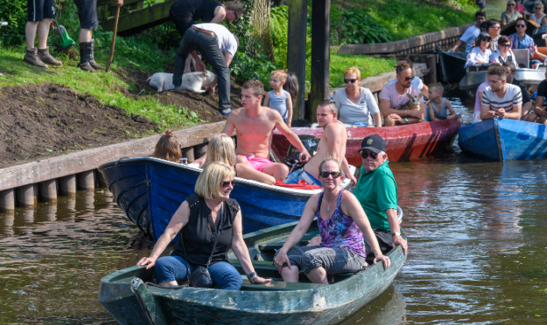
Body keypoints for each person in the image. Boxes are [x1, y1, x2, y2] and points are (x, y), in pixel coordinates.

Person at [137, 163, 271, 289]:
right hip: (186, 262)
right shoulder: (191, 204)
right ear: (211, 183)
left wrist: (253, 276)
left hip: (216, 263)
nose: (231, 187)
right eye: (225, 183)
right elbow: (169, 233)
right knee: (163, 264)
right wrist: (153, 257)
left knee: (234, 279)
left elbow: (238, 242)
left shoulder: (233, 207)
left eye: (232, 182)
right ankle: (176, 299)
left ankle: (218, 309)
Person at [273, 158, 390, 284]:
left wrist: (378, 253)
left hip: (351, 253)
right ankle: (295, 293)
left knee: (311, 258)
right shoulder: (315, 200)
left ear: (340, 177)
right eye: (325, 174)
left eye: (334, 174)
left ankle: (325, 295)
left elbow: (366, 228)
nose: (330, 177)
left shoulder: (347, 199)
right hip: (326, 249)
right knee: (281, 255)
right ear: (319, 177)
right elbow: (300, 228)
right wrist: (284, 251)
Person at [223, 79, 311, 182]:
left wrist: (303, 149)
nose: (243, 99)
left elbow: (289, 134)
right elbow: (222, 139)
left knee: (283, 169)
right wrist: (205, 158)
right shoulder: (235, 115)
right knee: (240, 160)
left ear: (258, 98)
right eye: (242, 95)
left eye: (247, 97)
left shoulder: (272, 115)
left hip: (263, 162)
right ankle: (269, 181)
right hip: (243, 161)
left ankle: (268, 188)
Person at [352, 135, 407, 260]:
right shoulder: (365, 169)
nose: (368, 159)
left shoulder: (382, 176)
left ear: (384, 157)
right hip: (361, 229)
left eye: (373, 155)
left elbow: (391, 209)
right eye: (364, 154)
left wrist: (396, 235)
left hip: (380, 233)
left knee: (348, 247)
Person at [285, 100, 356, 186]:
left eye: (323, 115)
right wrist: (348, 174)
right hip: (308, 178)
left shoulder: (331, 127)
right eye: (318, 114)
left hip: (306, 180)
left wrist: (333, 183)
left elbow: (335, 157)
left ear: (334, 115)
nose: (319, 118)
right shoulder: (340, 126)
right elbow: (340, 154)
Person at [172, 22, 237, 116]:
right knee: (224, 71)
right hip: (208, 36)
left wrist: (197, 60)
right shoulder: (233, 42)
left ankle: (177, 86)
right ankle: (225, 107)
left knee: (181, 54)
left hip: (191, 30)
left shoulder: (222, 30)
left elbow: (191, 45)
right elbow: (224, 68)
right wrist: (212, 85)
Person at [169, 0, 244, 37]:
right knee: (194, 43)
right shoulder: (222, 14)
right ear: (232, 12)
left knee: (189, 44)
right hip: (184, 10)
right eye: (236, 18)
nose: (234, 20)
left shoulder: (217, 7)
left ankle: (187, 66)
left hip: (176, 7)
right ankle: (192, 65)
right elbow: (206, 32)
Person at [380, 61, 426, 126]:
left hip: (409, 121)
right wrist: (409, 112)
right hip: (395, 120)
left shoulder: (416, 91)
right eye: (407, 78)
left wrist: (404, 120)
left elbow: (423, 116)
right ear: (398, 77)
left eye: (411, 78)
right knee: (389, 119)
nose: (410, 81)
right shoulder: (387, 89)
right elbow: (385, 112)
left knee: (424, 122)